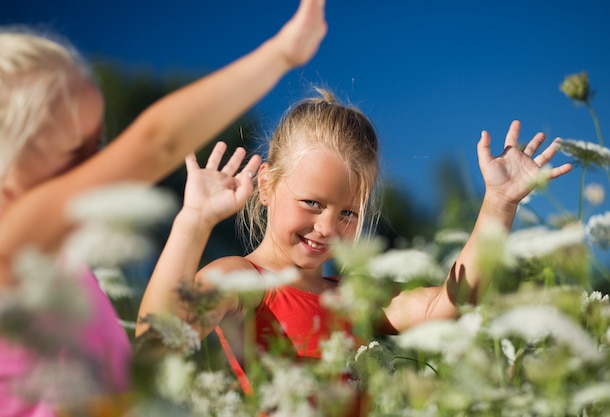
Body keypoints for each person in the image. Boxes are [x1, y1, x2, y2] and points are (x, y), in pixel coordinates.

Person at [0, 0, 327, 415]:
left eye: (97, 147)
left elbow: (152, 349)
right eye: (73, 150)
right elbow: (158, 140)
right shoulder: (9, 244)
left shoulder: (63, 274)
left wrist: (195, 219)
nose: (98, 167)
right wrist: (281, 54)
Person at [136, 89, 573, 393]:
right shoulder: (240, 279)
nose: (327, 227)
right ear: (265, 185)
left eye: (347, 212)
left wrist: (499, 203)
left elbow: (449, 304)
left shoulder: (352, 298)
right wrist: (193, 221)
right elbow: (156, 344)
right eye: (311, 203)